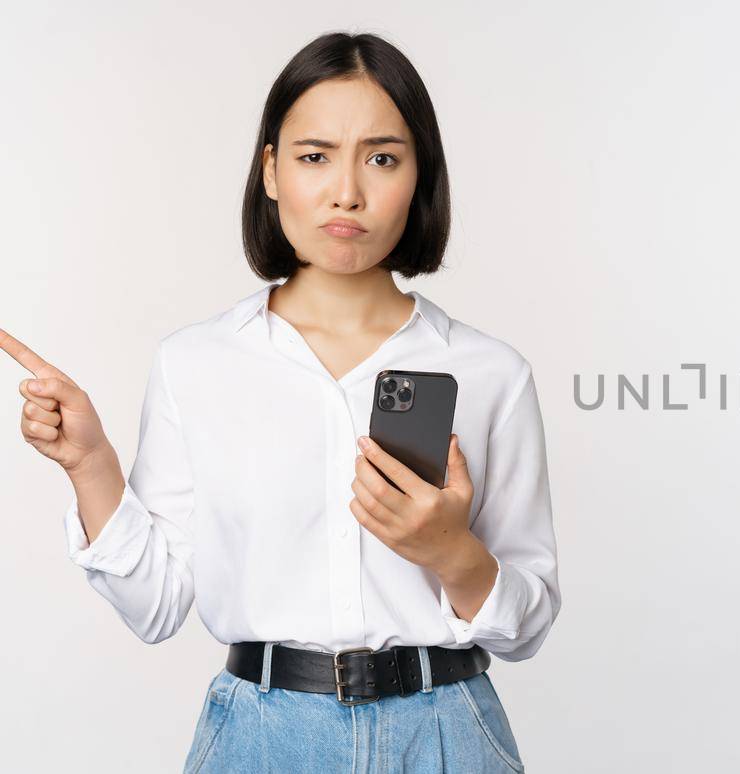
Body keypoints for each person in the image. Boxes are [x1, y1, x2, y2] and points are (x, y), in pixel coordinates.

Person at [2, 31, 558, 772]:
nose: (347, 191)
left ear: (420, 176)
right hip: (259, 741)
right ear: (270, 171)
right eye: (314, 156)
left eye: (383, 158)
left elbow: (526, 626)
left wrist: (451, 553)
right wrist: (92, 463)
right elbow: (157, 608)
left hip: (446, 735)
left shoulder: (490, 373)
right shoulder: (195, 364)